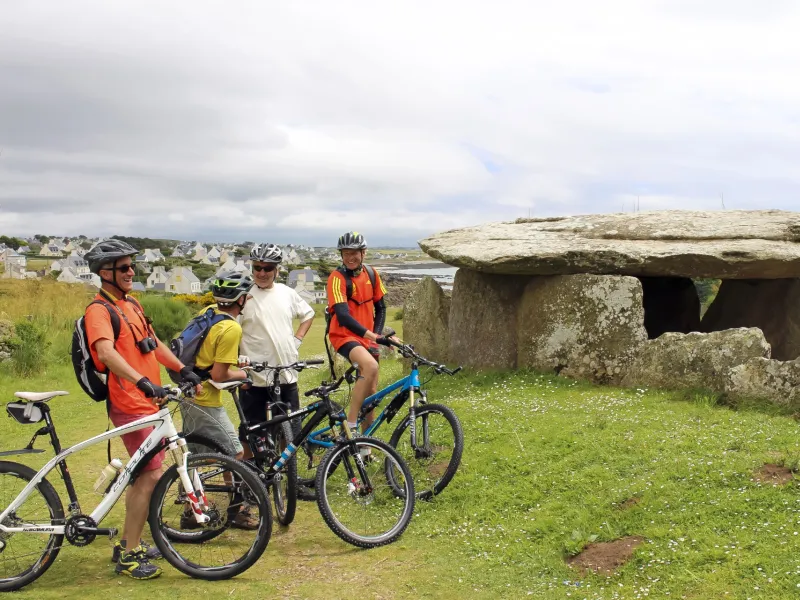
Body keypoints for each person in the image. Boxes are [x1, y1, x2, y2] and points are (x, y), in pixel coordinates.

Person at [82, 239, 202, 580]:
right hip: (130, 405)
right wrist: (142, 382)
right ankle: (128, 551)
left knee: (146, 475)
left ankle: (128, 541)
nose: (131, 271)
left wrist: (181, 369)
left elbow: (153, 343)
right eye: (124, 267)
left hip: (149, 404)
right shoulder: (98, 311)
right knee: (149, 474)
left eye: (132, 266)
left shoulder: (130, 303)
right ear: (105, 273)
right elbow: (106, 354)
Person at [179, 270, 259, 529]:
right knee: (234, 452)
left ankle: (192, 510)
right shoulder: (231, 327)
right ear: (243, 299)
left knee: (192, 454)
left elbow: (206, 354)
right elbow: (220, 374)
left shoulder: (209, 313)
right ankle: (236, 511)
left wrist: (233, 363)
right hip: (205, 400)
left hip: (188, 392)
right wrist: (244, 374)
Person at [238, 243, 315, 444]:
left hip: (286, 373)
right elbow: (231, 331)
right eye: (257, 268)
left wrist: (297, 339)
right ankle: (249, 474)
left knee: (290, 431)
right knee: (253, 432)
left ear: (276, 270)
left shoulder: (286, 292)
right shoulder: (244, 296)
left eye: (268, 268)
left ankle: (288, 472)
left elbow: (308, 314)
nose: (262, 273)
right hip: (255, 376)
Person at [325, 231, 391, 435]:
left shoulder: (372, 274)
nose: (350, 257)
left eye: (354, 252)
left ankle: (365, 448)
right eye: (345, 253)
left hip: (367, 337)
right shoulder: (337, 278)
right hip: (344, 336)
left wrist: (375, 337)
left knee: (371, 392)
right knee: (369, 365)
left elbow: (381, 308)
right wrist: (371, 336)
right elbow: (343, 317)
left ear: (363, 253)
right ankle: (351, 423)